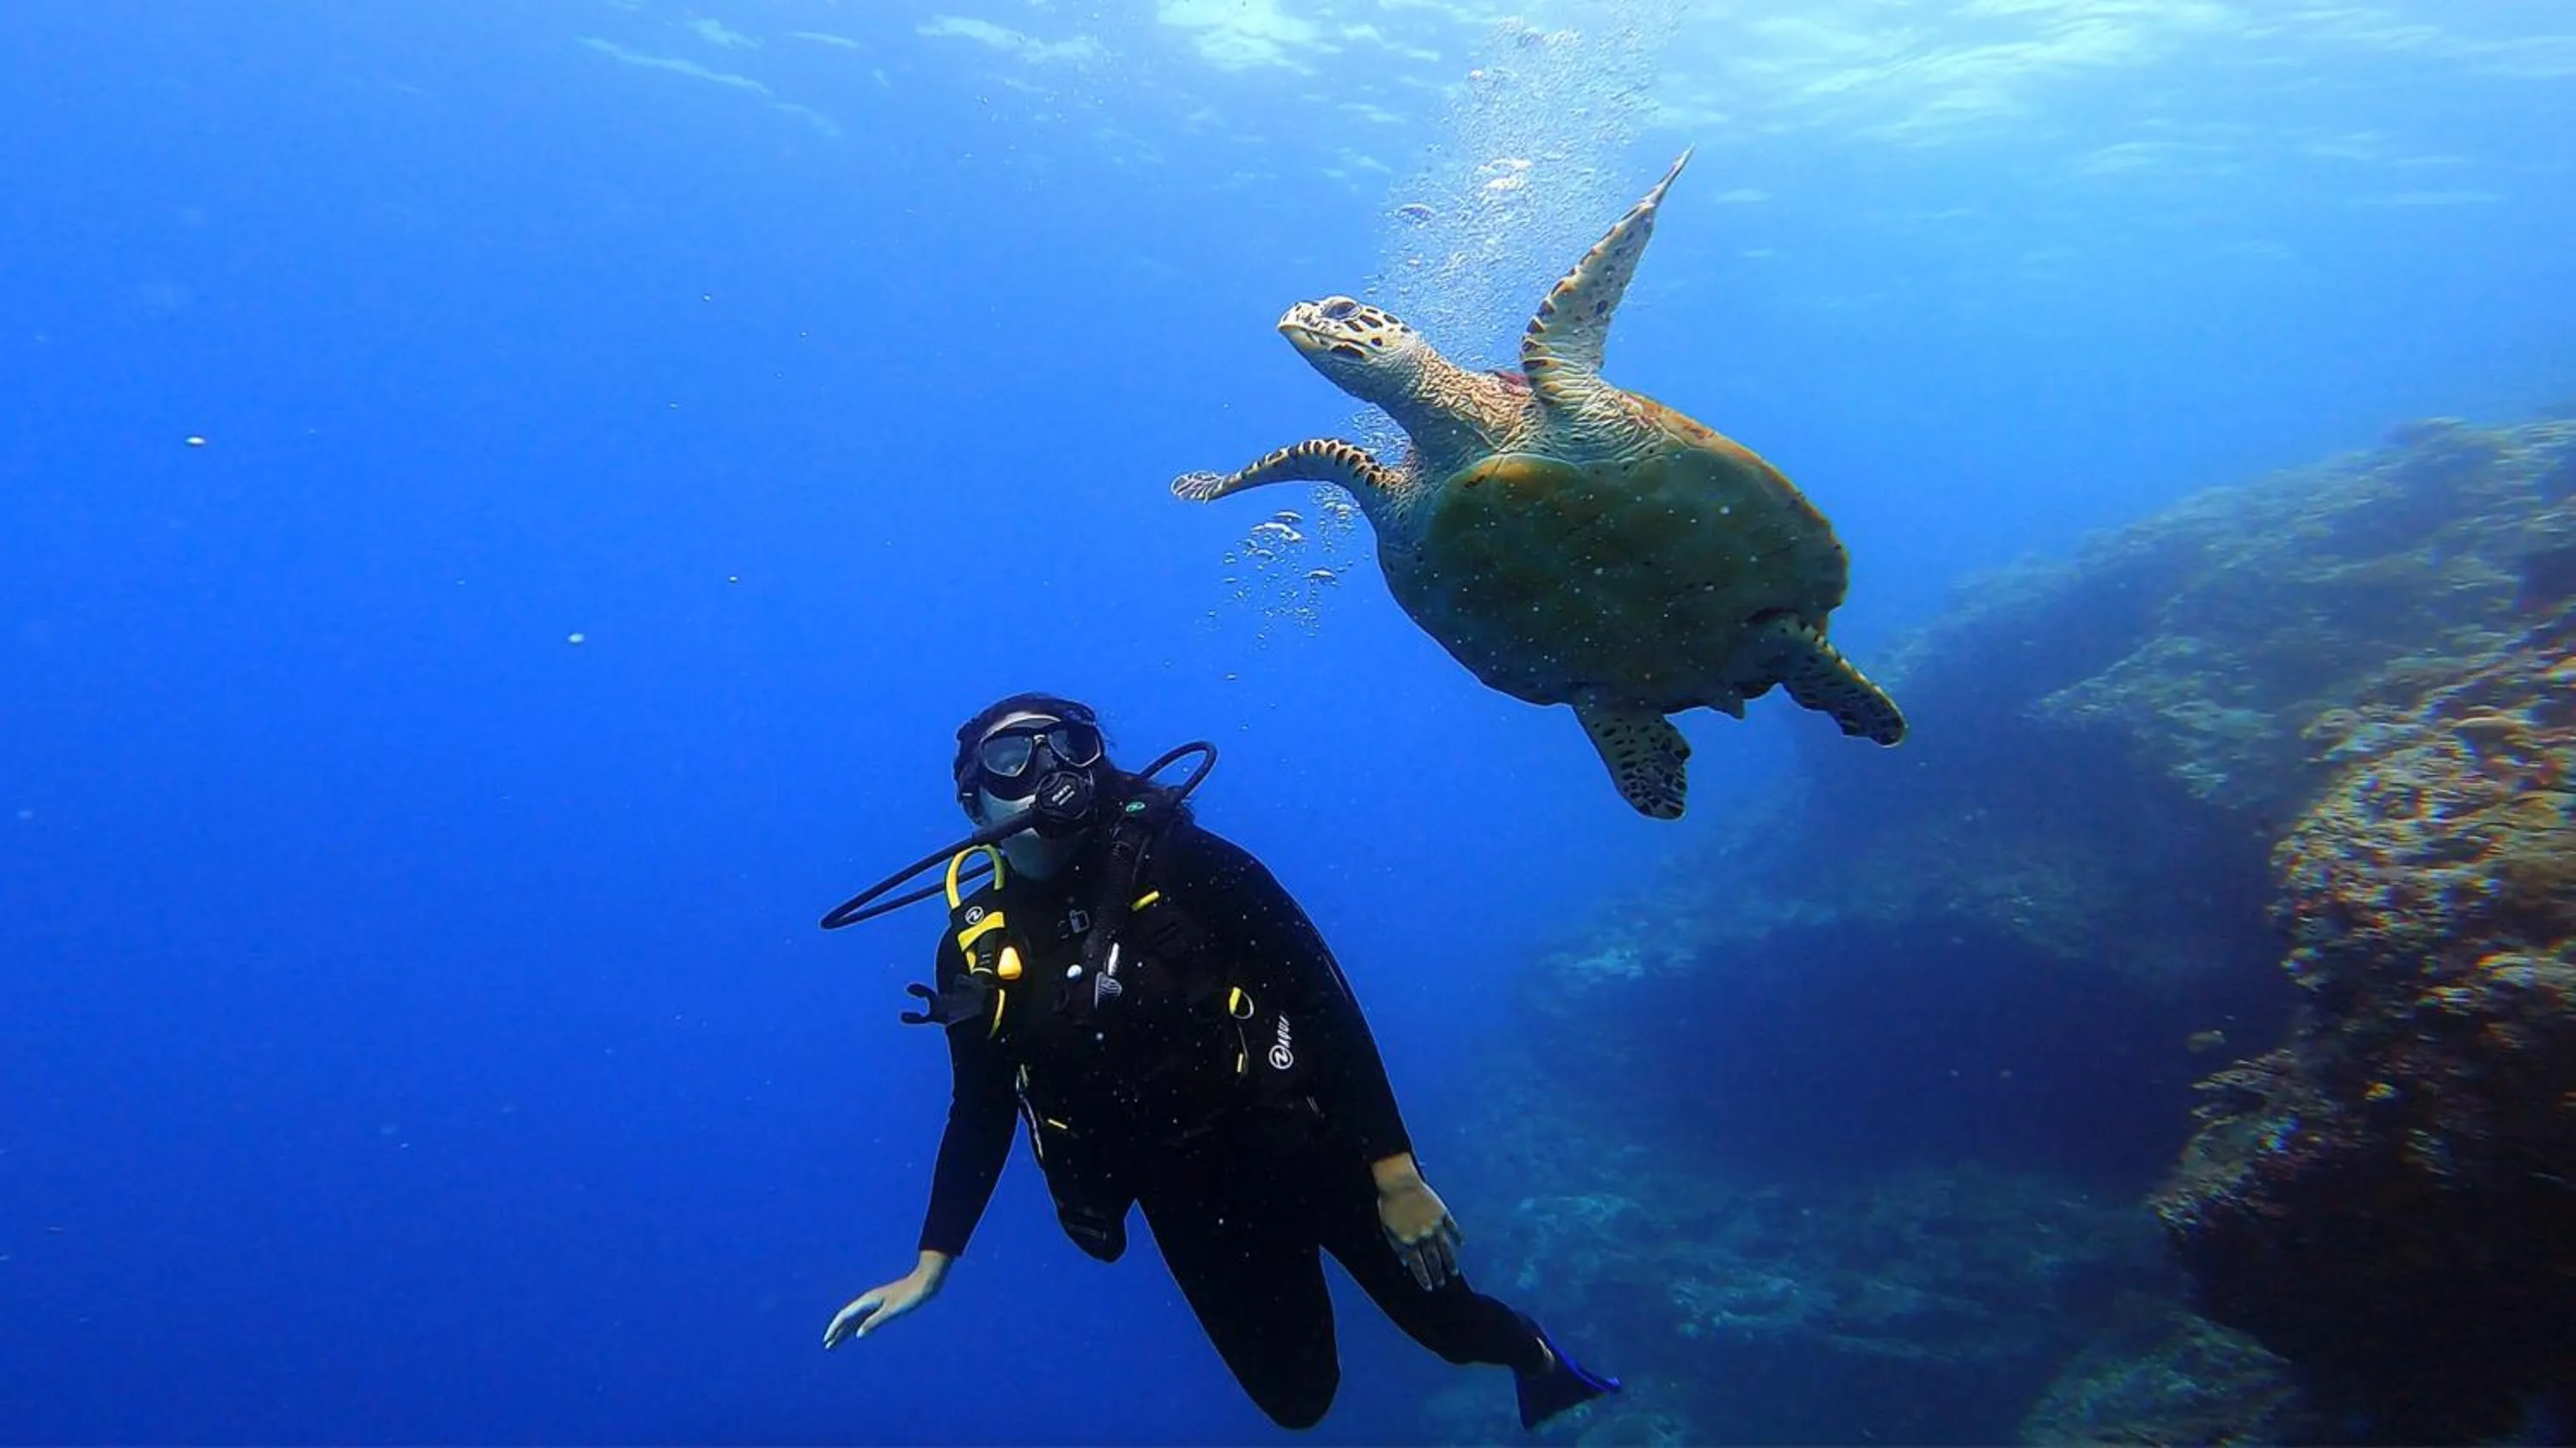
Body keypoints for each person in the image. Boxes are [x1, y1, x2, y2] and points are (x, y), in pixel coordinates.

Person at [821, 692, 1619, 1433]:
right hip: (1189, 1196)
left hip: (1305, 1137)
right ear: (973, 801)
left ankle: (1538, 1359)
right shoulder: (976, 947)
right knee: (1298, 1401)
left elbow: (1320, 995)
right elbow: (981, 1107)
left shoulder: (1183, 861)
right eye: (1011, 759)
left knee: (1449, 1328)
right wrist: (933, 1263)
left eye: (1068, 747)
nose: (1048, 772)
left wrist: (1395, 1170)